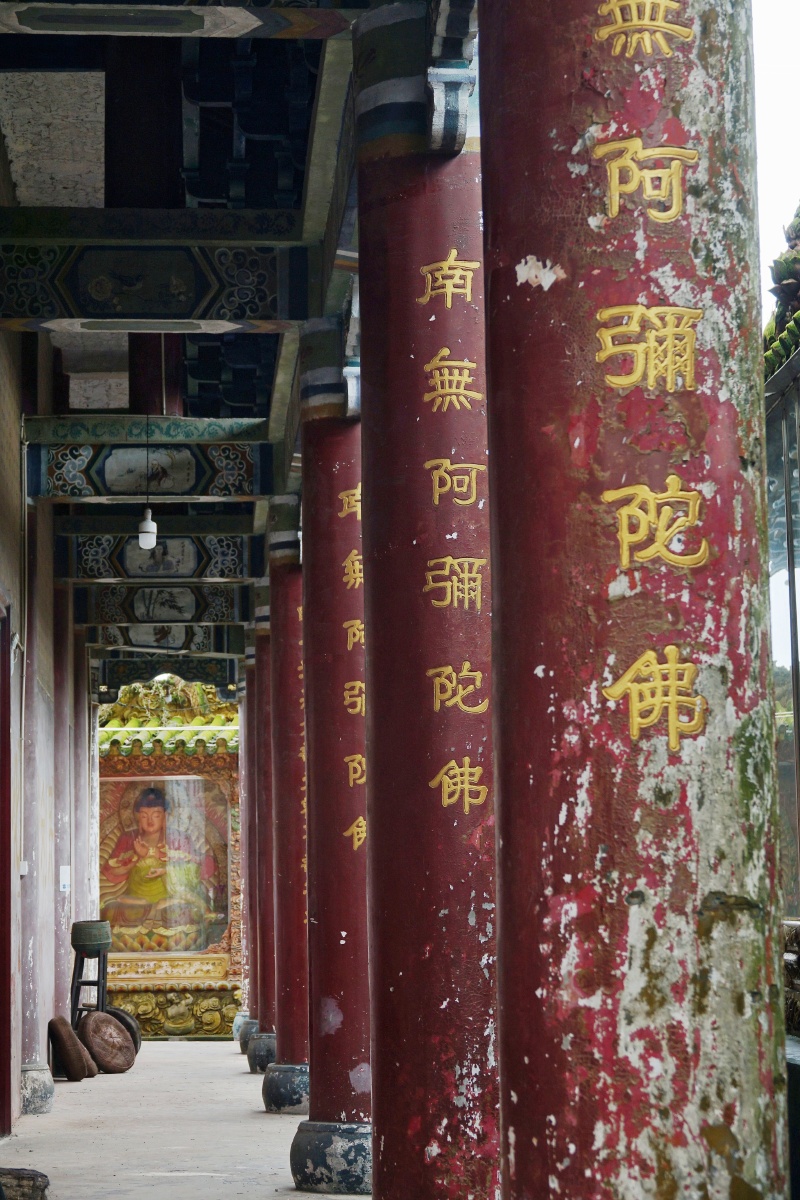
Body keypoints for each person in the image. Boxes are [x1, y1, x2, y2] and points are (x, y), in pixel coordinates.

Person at [100, 786, 214, 928]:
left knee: (186, 912)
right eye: (144, 816)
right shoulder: (128, 839)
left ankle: (165, 905)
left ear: (165, 816)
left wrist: (167, 867)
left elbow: (203, 867)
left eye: (156, 815)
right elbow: (111, 872)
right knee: (110, 911)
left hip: (172, 898)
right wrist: (136, 858)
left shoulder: (179, 838)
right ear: (137, 817)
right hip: (137, 898)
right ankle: (148, 907)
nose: (150, 821)